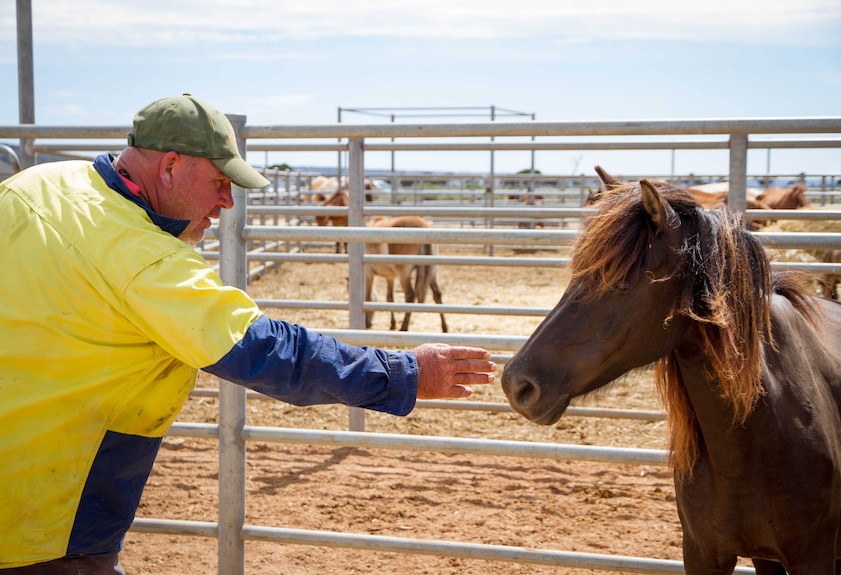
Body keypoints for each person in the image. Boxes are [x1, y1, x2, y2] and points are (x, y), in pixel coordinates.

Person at [0, 94, 497, 573]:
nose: (227, 202)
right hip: (48, 519)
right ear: (170, 166)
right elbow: (269, 352)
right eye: (219, 181)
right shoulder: (143, 257)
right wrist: (406, 373)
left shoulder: (34, 185)